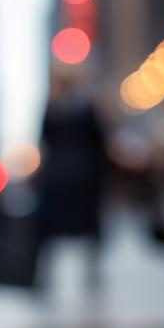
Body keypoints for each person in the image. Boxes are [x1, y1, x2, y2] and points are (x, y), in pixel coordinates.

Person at [36, 75, 108, 292]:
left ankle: (49, 276)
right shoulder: (86, 107)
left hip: (61, 177)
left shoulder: (53, 108)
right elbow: (100, 142)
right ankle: (90, 274)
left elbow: (43, 141)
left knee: (52, 229)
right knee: (86, 229)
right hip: (82, 177)